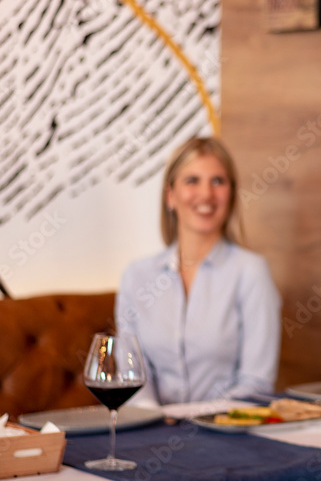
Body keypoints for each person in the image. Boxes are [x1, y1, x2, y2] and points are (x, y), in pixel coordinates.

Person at [116, 136, 281, 405]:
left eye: (218, 181)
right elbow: (132, 375)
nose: (206, 194)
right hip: (151, 432)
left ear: (231, 194)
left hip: (227, 433)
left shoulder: (251, 272)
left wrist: (195, 421)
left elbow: (256, 383)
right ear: (171, 196)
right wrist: (154, 417)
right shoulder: (137, 276)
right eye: (192, 181)